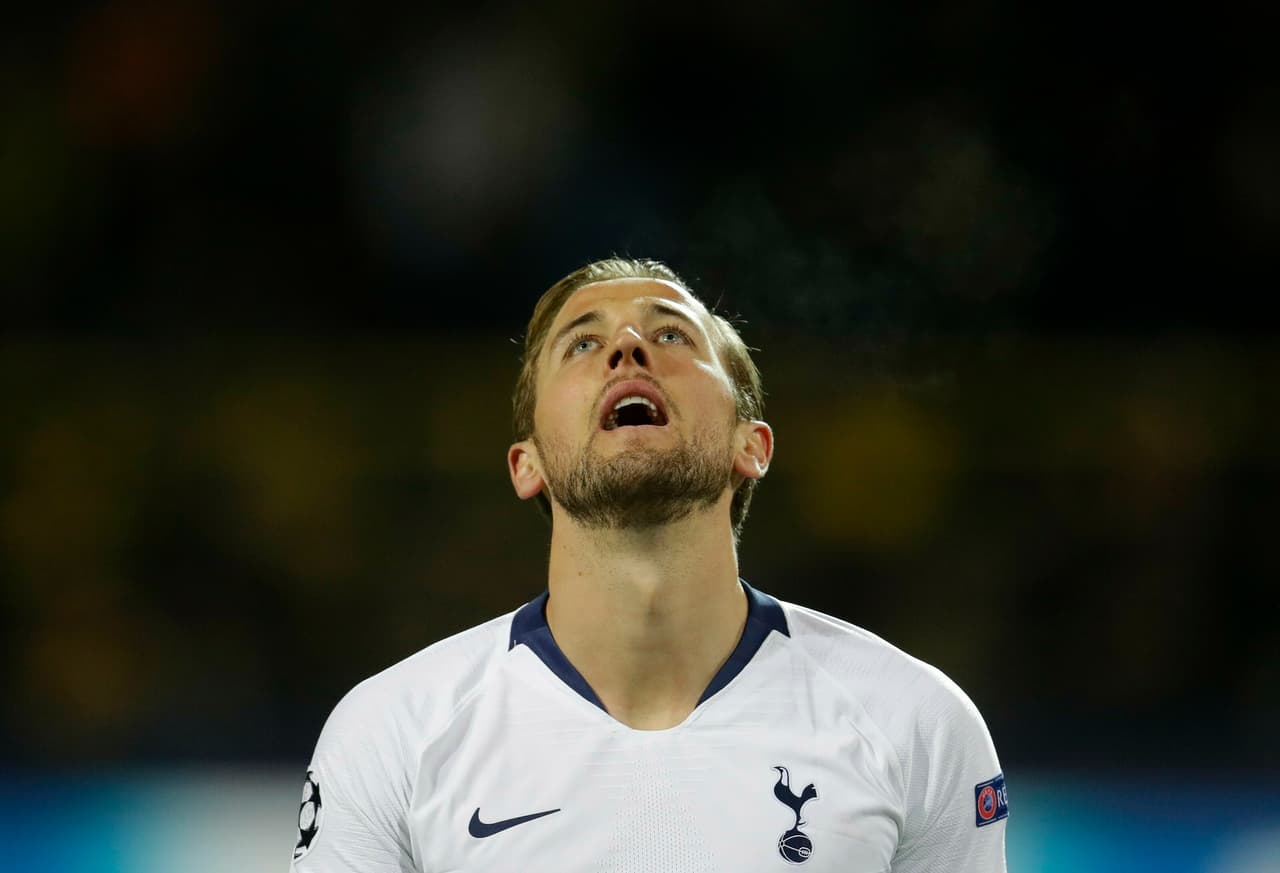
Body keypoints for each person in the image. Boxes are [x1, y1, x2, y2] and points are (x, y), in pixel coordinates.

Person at [289, 258, 1009, 872]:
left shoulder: (914, 722)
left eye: (671, 334)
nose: (628, 347)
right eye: (581, 344)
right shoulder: (393, 733)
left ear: (751, 444)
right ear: (526, 463)